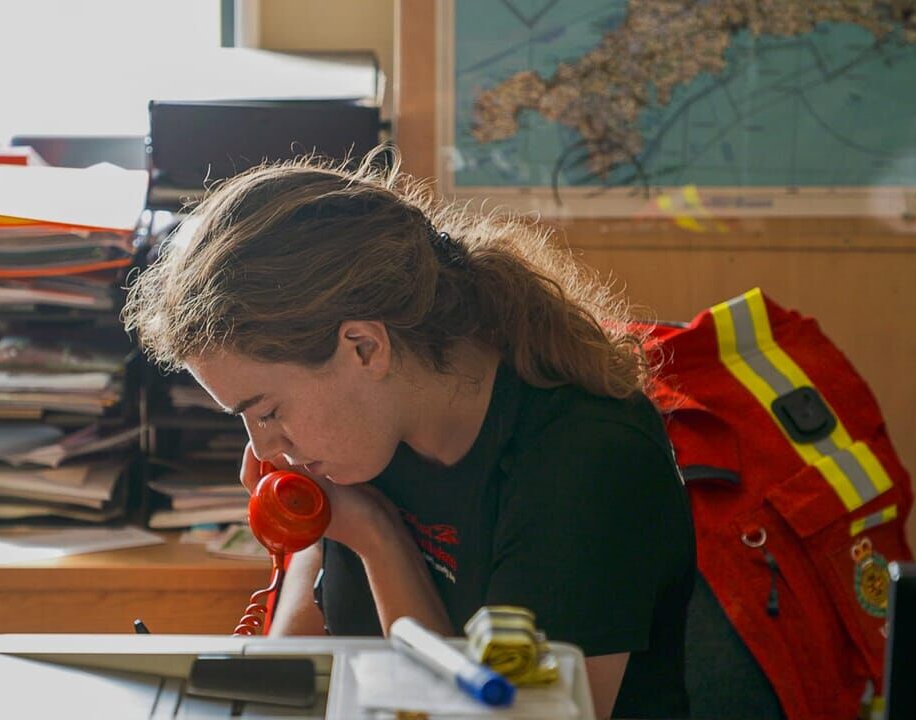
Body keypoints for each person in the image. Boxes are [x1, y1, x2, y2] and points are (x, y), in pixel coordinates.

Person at [123, 149, 696, 718]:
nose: (264, 448)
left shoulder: (588, 460)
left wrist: (377, 538)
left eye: (268, 411)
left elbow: (496, 715)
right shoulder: (362, 434)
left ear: (364, 347)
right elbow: (292, 684)